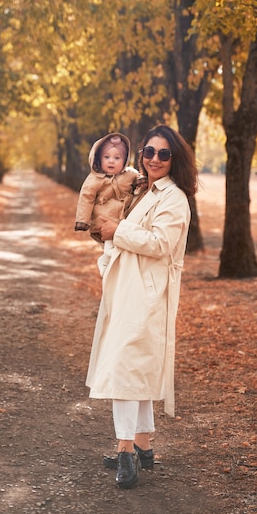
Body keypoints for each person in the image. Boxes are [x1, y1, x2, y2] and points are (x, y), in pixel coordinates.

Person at [85, 124, 198, 489]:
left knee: (125, 372)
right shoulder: (139, 189)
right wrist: (108, 255)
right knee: (136, 369)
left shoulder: (174, 198)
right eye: (149, 152)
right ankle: (144, 446)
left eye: (163, 154)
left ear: (174, 158)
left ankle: (125, 453)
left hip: (147, 295)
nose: (154, 159)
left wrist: (116, 231)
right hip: (126, 289)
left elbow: (160, 243)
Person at [74, 133, 145, 276]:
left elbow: (137, 178)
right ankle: (106, 262)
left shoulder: (129, 174)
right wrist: (82, 220)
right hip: (103, 218)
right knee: (109, 244)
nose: (111, 161)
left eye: (117, 158)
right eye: (106, 157)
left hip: (123, 218)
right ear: (99, 159)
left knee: (120, 243)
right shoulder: (94, 179)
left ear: (125, 160)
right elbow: (86, 198)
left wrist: (140, 181)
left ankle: (115, 264)